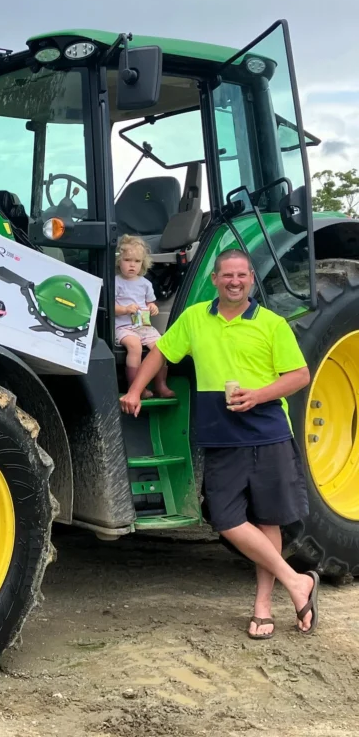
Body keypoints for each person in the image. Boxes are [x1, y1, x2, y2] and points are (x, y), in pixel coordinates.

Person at [120, 248, 319, 638]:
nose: (234, 281)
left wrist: (258, 395)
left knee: (267, 519)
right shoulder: (195, 318)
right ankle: (298, 582)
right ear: (215, 279)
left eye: (241, 275)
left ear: (250, 279)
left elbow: (299, 375)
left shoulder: (271, 324)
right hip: (221, 435)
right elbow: (160, 351)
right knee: (226, 519)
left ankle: (264, 605)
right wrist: (136, 389)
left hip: (267, 432)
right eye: (227, 275)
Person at [115, 234, 175, 398]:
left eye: (136, 261)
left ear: (143, 263)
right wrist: (125, 309)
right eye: (127, 260)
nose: (132, 265)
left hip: (143, 325)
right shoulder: (116, 282)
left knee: (161, 347)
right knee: (134, 346)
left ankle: (160, 385)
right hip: (124, 327)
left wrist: (153, 307)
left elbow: (150, 302)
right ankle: (136, 387)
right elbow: (111, 307)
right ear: (119, 261)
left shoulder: (145, 284)